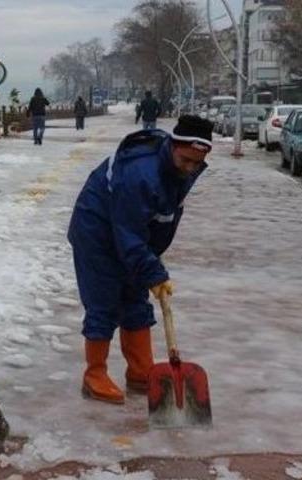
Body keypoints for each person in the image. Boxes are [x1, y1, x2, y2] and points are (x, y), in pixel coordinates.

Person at [66, 115, 214, 405]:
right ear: (173, 145)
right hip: (96, 233)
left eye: (197, 163)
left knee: (135, 299)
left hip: (131, 234)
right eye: (185, 160)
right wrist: (153, 271)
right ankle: (94, 375)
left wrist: (150, 267)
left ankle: (139, 372)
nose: (190, 168)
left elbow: (154, 222)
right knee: (104, 301)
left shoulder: (178, 168)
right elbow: (129, 232)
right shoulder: (141, 174)